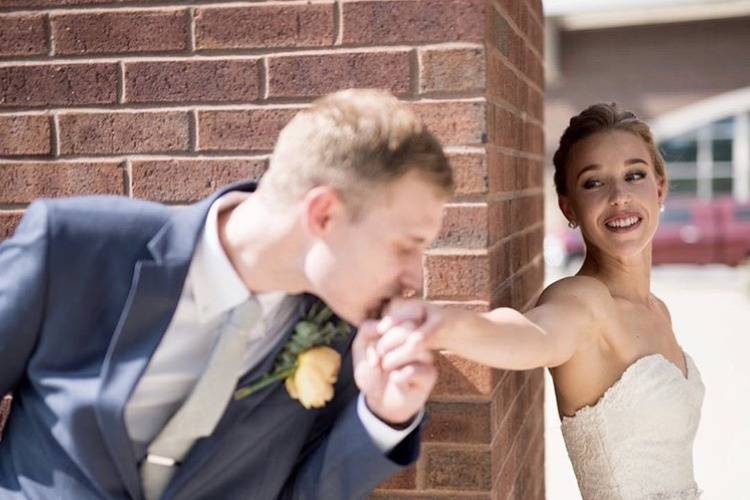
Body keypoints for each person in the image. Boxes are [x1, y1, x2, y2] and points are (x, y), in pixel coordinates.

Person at [0, 89, 453, 499]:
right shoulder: (74, 247)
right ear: (323, 214)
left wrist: (382, 414)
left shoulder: (342, 334)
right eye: (406, 244)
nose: (414, 276)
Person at [375, 103, 705, 499]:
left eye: (634, 175)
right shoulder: (582, 302)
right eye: (593, 183)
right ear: (569, 207)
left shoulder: (658, 310)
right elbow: (531, 332)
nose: (619, 196)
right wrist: (432, 323)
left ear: (660, 187)